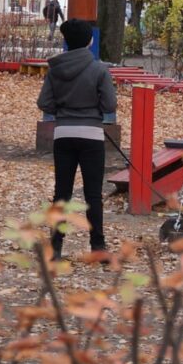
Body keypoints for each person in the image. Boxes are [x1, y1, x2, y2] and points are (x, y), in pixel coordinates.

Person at [37, 19, 117, 259]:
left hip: (63, 134)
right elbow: (110, 104)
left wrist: (62, 109)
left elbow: (44, 103)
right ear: (89, 41)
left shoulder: (55, 70)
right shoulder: (99, 70)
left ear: (66, 41)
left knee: (62, 192)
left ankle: (55, 246)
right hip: (92, 134)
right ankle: (98, 246)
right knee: (93, 194)